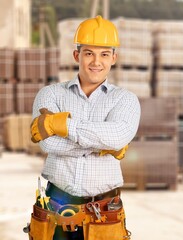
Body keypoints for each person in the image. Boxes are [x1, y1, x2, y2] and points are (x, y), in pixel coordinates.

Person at [28, 15, 141, 240]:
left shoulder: (125, 100)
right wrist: (102, 145)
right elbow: (48, 143)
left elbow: (118, 136)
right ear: (76, 55)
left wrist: (63, 125)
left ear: (114, 58)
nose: (96, 62)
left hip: (104, 210)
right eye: (89, 53)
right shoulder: (50, 94)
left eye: (104, 54)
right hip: (56, 205)